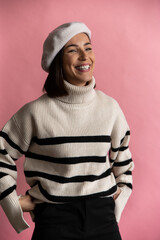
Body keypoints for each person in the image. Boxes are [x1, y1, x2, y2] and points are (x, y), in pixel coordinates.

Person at [0, 22, 134, 240]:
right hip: (54, 222)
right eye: (72, 50)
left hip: (103, 220)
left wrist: (118, 201)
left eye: (88, 48)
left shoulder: (110, 108)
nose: (84, 55)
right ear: (57, 62)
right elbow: (1, 153)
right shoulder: (34, 112)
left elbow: (124, 160)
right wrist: (12, 202)